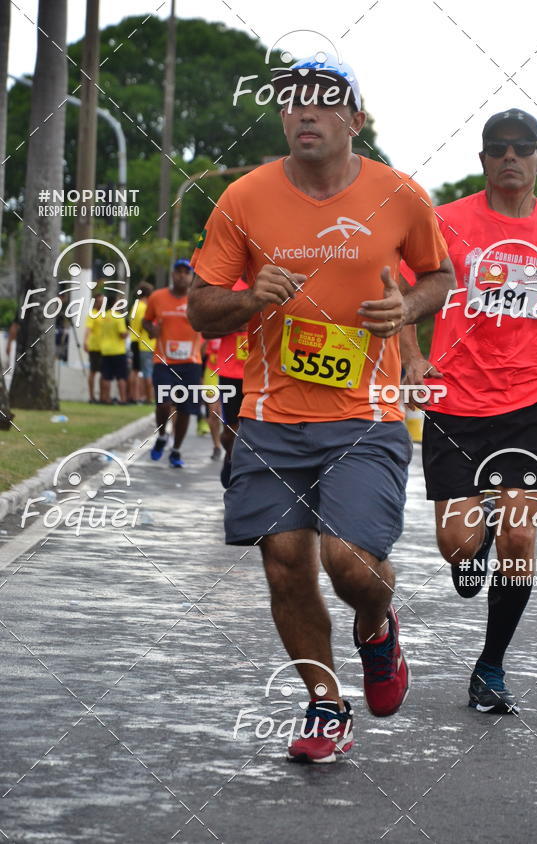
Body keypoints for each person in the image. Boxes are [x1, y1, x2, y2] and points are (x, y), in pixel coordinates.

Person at [187, 54, 453, 762]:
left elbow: (440, 275)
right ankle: (326, 704)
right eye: (293, 101)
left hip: (365, 414)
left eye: (325, 101)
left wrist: (408, 306)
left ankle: (377, 626)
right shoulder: (244, 198)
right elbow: (202, 308)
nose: (306, 111)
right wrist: (250, 298)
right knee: (284, 563)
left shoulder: (400, 195)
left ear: (355, 120)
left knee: (350, 563)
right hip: (271, 414)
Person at [401, 108, 537, 714]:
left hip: (530, 400)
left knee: (521, 533)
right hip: (454, 399)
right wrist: (411, 357)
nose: (510, 156)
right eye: (498, 147)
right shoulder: (444, 223)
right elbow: (401, 295)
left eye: (522, 146)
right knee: (459, 548)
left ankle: (491, 667)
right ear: (483, 159)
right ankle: (475, 538)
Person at [143, 259, 203, 468]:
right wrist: (152, 330)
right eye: (178, 271)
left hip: (191, 362)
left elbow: (207, 323)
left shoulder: (197, 299)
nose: (182, 275)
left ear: (191, 277)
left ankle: (176, 450)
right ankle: (162, 436)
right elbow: (146, 320)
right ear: (172, 275)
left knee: (185, 409)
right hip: (164, 361)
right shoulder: (157, 297)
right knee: (163, 403)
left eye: (186, 272)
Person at [216, 278, 249, 488]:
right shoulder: (229, 287)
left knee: (255, 430)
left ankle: (244, 473)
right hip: (231, 372)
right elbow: (207, 330)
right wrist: (236, 324)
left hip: (260, 372)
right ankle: (229, 456)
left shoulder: (275, 282)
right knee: (231, 433)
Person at [98, 292, 129, 404]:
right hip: (118, 350)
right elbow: (122, 334)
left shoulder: (104, 316)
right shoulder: (118, 317)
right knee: (121, 376)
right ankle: (123, 399)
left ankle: (105, 398)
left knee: (106, 376)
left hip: (105, 350)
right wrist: (128, 332)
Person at [128, 281, 155, 404]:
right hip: (142, 341)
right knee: (145, 371)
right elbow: (143, 325)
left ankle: (134, 396)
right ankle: (144, 397)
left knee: (135, 370)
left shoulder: (135, 306)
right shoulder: (143, 308)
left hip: (134, 339)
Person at [199, 337, 223, 459]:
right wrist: (207, 339)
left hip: (232, 373)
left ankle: (232, 444)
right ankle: (217, 446)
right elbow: (200, 354)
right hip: (212, 373)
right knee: (214, 412)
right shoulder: (210, 332)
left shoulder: (235, 330)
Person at [84, 292, 104, 403]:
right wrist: (85, 342)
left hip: (104, 347)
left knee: (103, 373)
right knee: (93, 371)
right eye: (100, 301)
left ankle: (102, 396)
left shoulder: (105, 315)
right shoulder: (93, 314)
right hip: (95, 347)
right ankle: (91, 396)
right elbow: (88, 329)